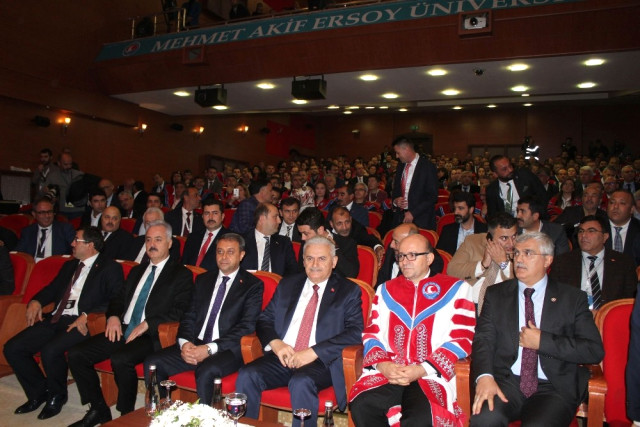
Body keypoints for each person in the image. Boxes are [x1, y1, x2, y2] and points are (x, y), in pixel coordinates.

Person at [470, 232, 604, 426]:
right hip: (507, 381)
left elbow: (593, 350)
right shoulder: (497, 294)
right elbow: (483, 340)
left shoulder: (572, 298)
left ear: (547, 260)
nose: (519, 259)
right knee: (484, 419)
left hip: (553, 386)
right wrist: (484, 376)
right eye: (516, 253)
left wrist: (543, 342)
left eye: (528, 253)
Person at [67, 221, 194, 424]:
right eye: (148, 240)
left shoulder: (181, 274)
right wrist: (113, 316)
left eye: (158, 240)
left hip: (151, 334)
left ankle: (125, 414)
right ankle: (98, 408)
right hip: (124, 327)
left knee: (120, 358)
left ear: (170, 243)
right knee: (76, 354)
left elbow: (181, 310)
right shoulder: (137, 270)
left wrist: (148, 323)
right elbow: (117, 299)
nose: (152, 244)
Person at [235, 236, 364, 427]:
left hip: (322, 361)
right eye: (309, 258)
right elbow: (264, 319)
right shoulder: (288, 285)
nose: (315, 264)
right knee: (247, 374)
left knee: (301, 381)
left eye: (322, 259)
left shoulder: (348, 290)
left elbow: (355, 332)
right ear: (303, 261)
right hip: (284, 355)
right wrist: (276, 344)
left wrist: (314, 352)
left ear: (334, 261)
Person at [349, 234, 475, 426]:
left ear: (429, 258)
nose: (404, 261)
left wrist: (422, 369)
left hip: (431, 374)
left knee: (421, 417)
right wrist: (383, 365)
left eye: (412, 255)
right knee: (363, 405)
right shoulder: (385, 290)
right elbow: (372, 333)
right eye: (401, 256)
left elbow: (461, 338)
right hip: (391, 371)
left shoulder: (457, 289)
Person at [4, 227, 123, 420]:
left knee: (50, 351)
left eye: (77, 240)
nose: (72, 243)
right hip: (56, 317)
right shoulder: (70, 266)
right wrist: (36, 301)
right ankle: (38, 392)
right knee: (13, 348)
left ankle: (57, 396)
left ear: (90, 245)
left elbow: (116, 298)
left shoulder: (109, 267)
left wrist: (87, 314)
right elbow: (52, 289)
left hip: (80, 322)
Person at [144, 233, 263, 405]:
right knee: (153, 363)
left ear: (241, 255)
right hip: (196, 342)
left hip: (226, 349)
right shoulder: (203, 279)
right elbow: (189, 315)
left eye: (230, 252)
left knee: (206, 371)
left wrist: (208, 349)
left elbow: (246, 326)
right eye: (220, 251)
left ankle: (206, 417)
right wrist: (185, 343)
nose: (224, 257)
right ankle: (161, 412)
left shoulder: (252, 285)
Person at [549, 215, 637, 309]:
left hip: (608, 314)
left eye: (591, 231)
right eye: (581, 231)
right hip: (573, 314)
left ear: (605, 237)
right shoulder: (562, 262)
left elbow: (629, 299)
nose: (584, 235)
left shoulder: (623, 263)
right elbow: (553, 295)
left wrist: (603, 313)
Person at [447, 212, 517, 311]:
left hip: (501, 308)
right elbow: (451, 270)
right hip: (469, 304)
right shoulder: (473, 242)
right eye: (504, 238)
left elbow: (517, 285)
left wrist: (503, 263)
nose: (511, 243)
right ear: (490, 236)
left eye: (514, 236)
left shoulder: (522, 249)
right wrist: (482, 265)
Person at [295, 207, 359, 278]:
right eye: (301, 233)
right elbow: (301, 272)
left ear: (320, 230)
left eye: (306, 233)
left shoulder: (347, 243)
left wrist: (334, 247)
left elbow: (351, 274)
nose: (302, 238)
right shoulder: (306, 243)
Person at [391, 136, 438, 230]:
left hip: (421, 219)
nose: (396, 156)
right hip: (400, 217)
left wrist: (413, 213)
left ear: (406, 149)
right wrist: (395, 201)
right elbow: (396, 190)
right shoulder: (400, 166)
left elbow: (432, 196)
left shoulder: (428, 166)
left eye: (398, 152)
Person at [241, 203, 299, 276]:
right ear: (262, 219)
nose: (279, 221)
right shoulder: (241, 241)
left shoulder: (284, 243)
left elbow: (293, 271)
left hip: (277, 282)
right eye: (275, 217)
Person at [182, 198, 229, 270]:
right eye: (207, 213)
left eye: (215, 213)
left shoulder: (230, 239)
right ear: (202, 216)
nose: (210, 217)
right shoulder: (192, 237)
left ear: (222, 216)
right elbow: (183, 264)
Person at [437, 190, 487, 256]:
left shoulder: (484, 230)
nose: (456, 212)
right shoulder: (447, 230)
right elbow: (440, 255)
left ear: (471, 210)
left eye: (460, 208)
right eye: (455, 208)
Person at [46, 153, 86, 219]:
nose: (69, 166)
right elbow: (44, 191)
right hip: (61, 211)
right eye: (65, 164)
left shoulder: (79, 175)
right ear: (59, 163)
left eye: (70, 164)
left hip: (78, 211)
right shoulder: (52, 176)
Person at [605, 189, 640, 260]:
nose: (615, 206)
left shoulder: (638, 228)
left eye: (622, 203)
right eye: (612, 202)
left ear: (632, 209)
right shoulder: (596, 227)